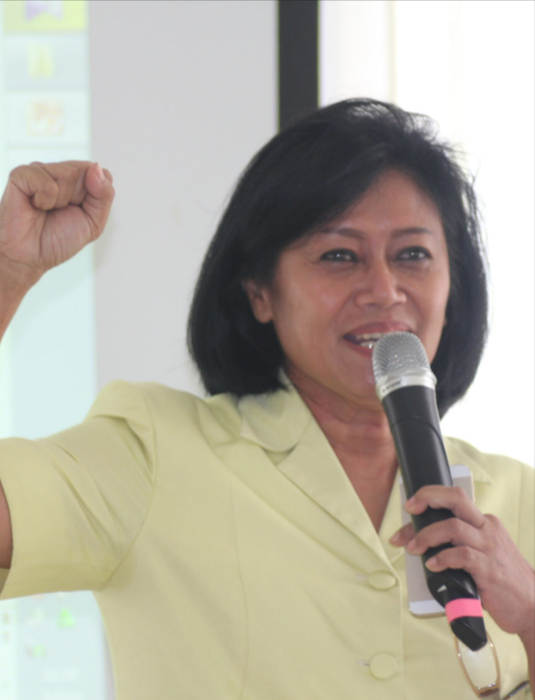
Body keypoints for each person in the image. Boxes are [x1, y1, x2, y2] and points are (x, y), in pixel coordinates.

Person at [0, 99, 533, 700]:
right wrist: (6, 272)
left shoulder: (519, 501)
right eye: (339, 255)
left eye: (413, 254)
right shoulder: (154, 453)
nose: (384, 290)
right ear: (260, 292)